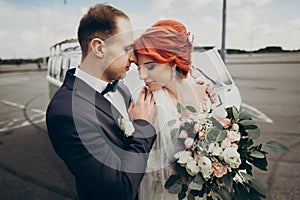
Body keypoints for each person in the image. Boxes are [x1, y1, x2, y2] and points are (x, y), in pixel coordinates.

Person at [46, 4, 157, 200]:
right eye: (126, 48)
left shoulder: (119, 85)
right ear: (99, 48)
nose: (133, 57)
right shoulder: (66, 113)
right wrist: (142, 127)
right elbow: (120, 190)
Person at [132, 19, 211, 200]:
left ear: (172, 62)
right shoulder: (146, 100)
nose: (142, 76)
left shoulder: (201, 89)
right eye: (139, 67)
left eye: (150, 66)